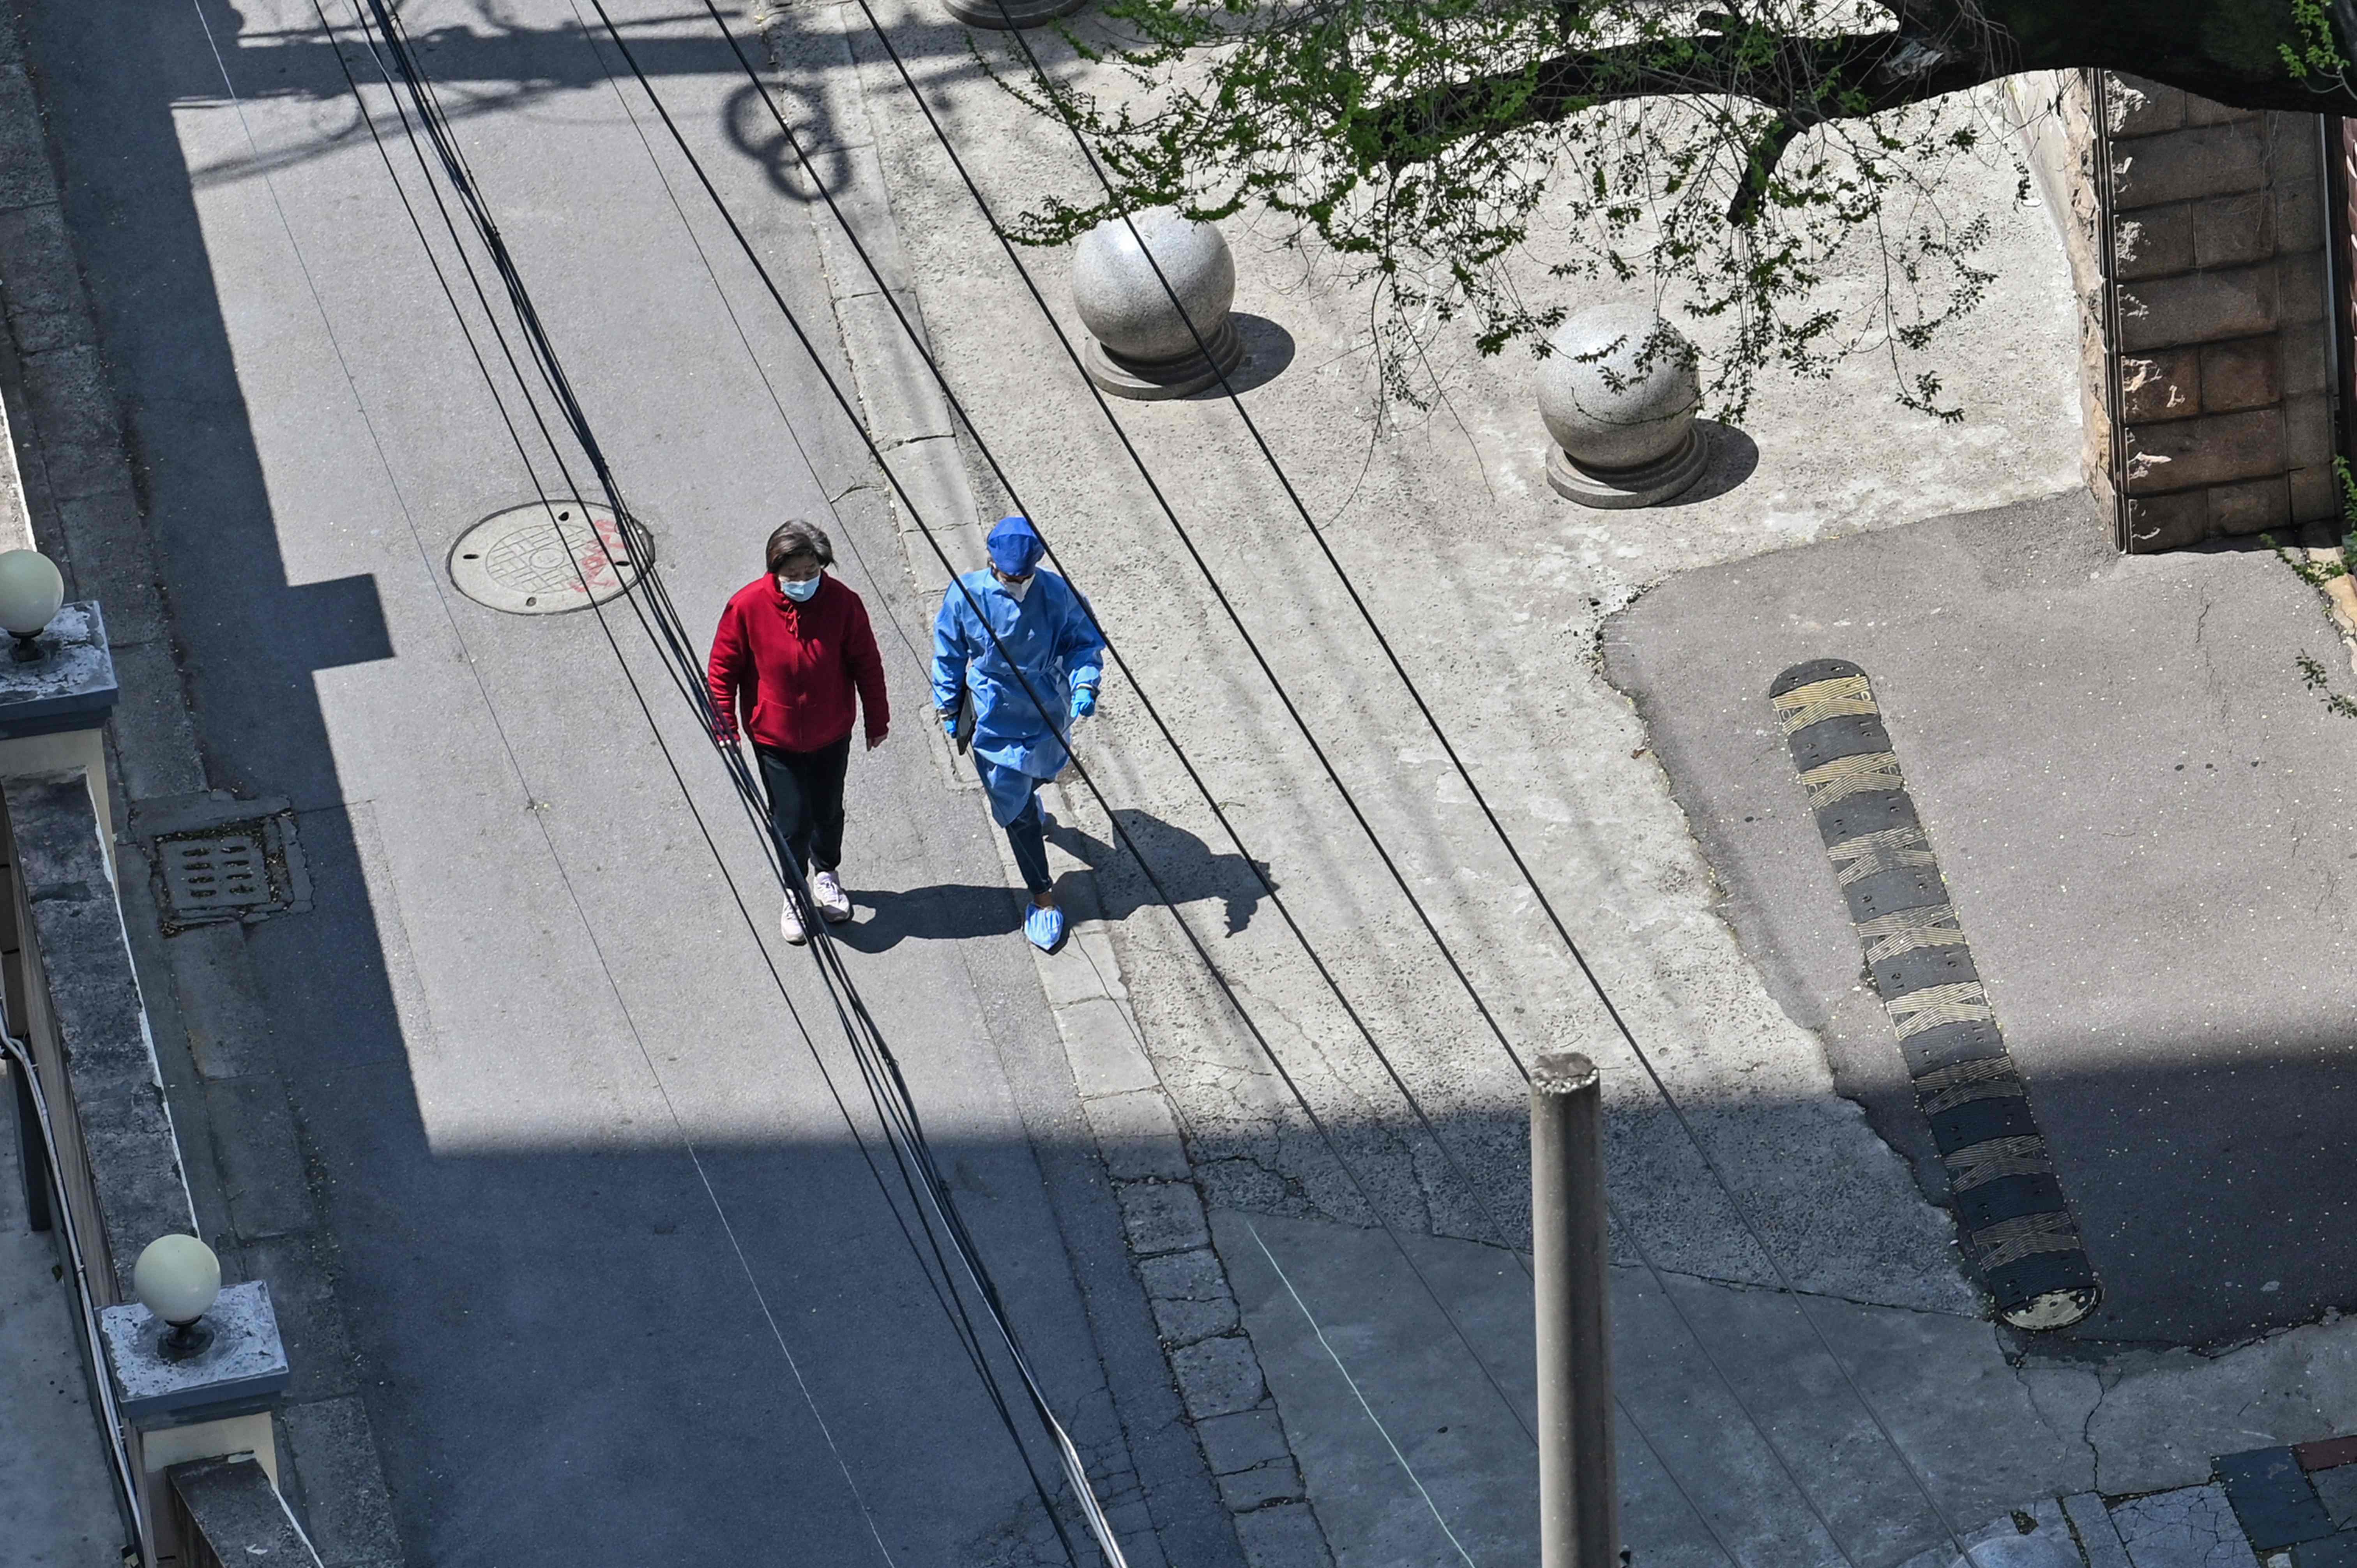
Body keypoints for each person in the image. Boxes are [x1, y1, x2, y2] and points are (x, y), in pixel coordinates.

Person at [708, 519, 889, 945]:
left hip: (832, 733)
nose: (804, 582)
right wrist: (725, 727)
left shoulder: (845, 604)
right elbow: (722, 671)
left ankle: (826, 874)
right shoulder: (747, 607)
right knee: (791, 821)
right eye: (794, 575)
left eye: (812, 573)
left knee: (828, 812)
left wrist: (876, 719)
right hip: (775, 739)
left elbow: (867, 663)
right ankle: (794, 888)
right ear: (776, 569)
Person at [931, 515, 1105, 952]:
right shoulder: (966, 595)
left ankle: (1031, 796)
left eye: (1024, 575)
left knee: (1043, 774)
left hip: (1046, 706)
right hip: (995, 718)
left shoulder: (1056, 593)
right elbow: (949, 653)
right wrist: (950, 705)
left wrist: (1085, 681)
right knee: (1016, 811)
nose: (1017, 583)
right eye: (1009, 576)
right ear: (990, 561)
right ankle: (1043, 897)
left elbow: (1084, 641)